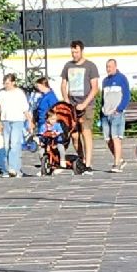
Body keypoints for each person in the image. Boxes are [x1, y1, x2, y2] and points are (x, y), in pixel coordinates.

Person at [59, 41, 98, 173]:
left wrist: (84, 104)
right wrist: (66, 100)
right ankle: (81, 158)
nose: (74, 54)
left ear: (81, 51)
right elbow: (63, 84)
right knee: (75, 135)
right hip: (72, 105)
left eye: (76, 52)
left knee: (86, 131)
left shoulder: (90, 66)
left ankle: (88, 163)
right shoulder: (68, 66)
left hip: (86, 105)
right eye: (72, 52)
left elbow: (95, 88)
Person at [0, 72, 33, 177]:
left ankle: (13, 168)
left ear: (13, 82)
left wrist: (30, 122)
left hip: (17, 120)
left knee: (14, 144)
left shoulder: (19, 93)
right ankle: (14, 169)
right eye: (4, 83)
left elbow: (25, 109)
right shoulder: (1, 94)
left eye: (8, 83)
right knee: (7, 146)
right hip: (6, 121)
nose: (6, 85)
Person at [99, 59, 131, 171]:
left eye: (110, 66)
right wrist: (101, 113)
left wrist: (119, 109)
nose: (108, 69)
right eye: (107, 67)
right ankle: (120, 159)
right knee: (108, 139)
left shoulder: (122, 78)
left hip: (116, 114)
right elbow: (103, 98)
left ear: (115, 66)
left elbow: (126, 95)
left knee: (115, 138)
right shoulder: (105, 81)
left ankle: (116, 164)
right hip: (105, 114)